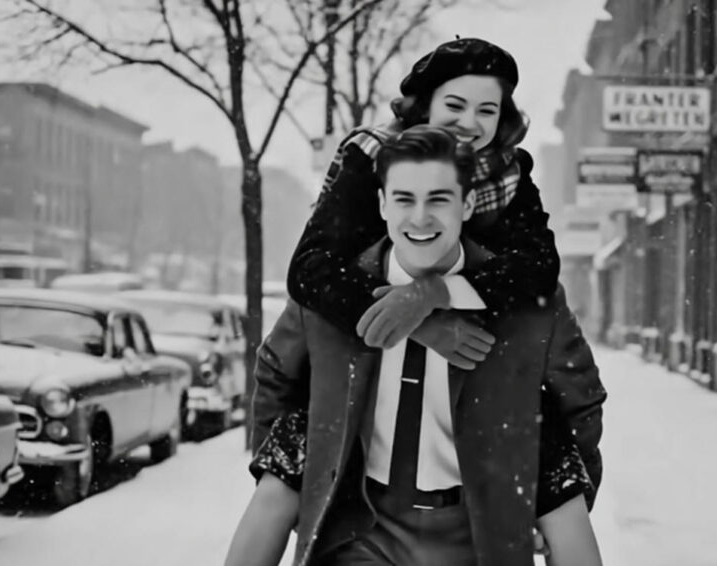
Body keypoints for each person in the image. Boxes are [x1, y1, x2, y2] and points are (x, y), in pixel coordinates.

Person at [227, 126, 605, 566]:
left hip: (479, 533)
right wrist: (290, 485)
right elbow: (276, 372)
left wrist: (567, 496)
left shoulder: (527, 298)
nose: (420, 218)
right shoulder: (330, 290)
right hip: (361, 532)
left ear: (467, 204)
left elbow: (579, 396)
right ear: (383, 203)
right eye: (404, 199)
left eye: (439, 200)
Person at [285, 37, 561, 366]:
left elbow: (538, 266)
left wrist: (436, 293)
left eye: (486, 110)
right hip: (367, 366)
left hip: (480, 369)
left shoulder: (509, 173)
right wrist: (418, 323)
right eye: (455, 106)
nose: (469, 123)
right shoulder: (372, 158)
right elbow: (313, 270)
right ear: (427, 105)